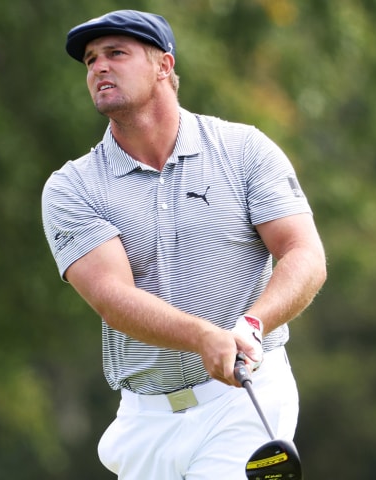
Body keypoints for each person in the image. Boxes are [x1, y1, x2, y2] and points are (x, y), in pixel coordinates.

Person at [40, 9, 327, 480]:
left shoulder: (243, 151)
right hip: (144, 419)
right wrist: (203, 337)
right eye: (90, 60)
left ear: (164, 67)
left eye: (116, 54)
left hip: (243, 398)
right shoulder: (74, 187)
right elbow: (114, 299)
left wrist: (252, 326)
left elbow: (304, 254)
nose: (98, 68)